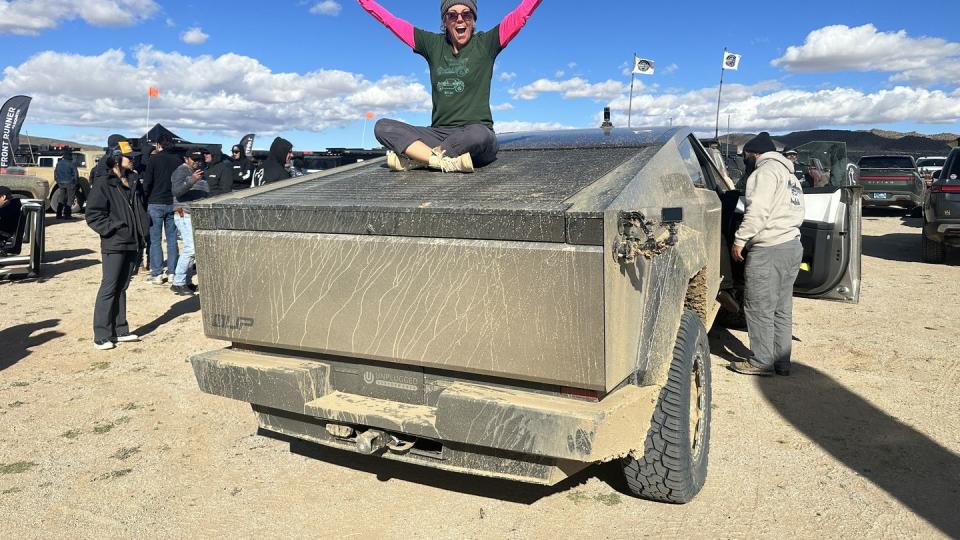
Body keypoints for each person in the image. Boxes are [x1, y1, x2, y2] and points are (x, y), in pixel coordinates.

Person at [359, 0, 542, 173]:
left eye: (467, 14)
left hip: (475, 138)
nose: (460, 19)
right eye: (452, 15)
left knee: (478, 135)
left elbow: (521, 15)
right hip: (439, 134)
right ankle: (439, 161)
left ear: (473, 19)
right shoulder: (433, 45)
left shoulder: (487, 44)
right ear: (445, 21)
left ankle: (421, 159)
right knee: (382, 127)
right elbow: (391, 22)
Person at [729, 132, 806, 377]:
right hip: (791, 245)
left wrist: (740, 240)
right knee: (781, 307)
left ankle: (761, 361)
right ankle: (782, 362)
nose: (746, 161)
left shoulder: (763, 172)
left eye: (746, 157)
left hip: (769, 247)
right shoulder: (790, 175)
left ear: (756, 154)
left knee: (758, 306)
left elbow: (757, 212)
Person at [85, 147, 150, 350]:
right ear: (115, 160)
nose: (132, 160)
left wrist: (143, 231)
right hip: (115, 242)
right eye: (128, 157)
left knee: (122, 287)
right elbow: (93, 215)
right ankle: (102, 335)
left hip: (134, 241)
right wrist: (114, 228)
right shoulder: (103, 183)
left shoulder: (132, 180)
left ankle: (120, 330)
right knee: (109, 286)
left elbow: (140, 208)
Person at [142, 134, 182, 285]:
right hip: (173, 202)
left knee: (155, 240)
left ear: (159, 145)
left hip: (155, 202)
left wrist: (145, 198)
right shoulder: (178, 161)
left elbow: (147, 183)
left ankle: (157, 273)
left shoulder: (154, 159)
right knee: (172, 239)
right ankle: (172, 272)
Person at [170, 151, 210, 295]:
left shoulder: (198, 171)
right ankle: (178, 282)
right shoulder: (181, 171)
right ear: (186, 158)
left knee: (194, 249)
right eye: (194, 160)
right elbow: (176, 191)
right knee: (191, 248)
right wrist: (191, 180)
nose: (197, 162)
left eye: (199, 160)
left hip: (195, 213)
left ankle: (186, 282)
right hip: (183, 212)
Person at [53, 150, 79, 219]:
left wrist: (57, 181)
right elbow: (76, 175)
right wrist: (75, 183)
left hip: (61, 183)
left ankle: (58, 214)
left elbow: (55, 173)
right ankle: (67, 215)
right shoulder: (72, 164)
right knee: (70, 199)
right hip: (70, 183)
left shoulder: (59, 163)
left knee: (61, 198)